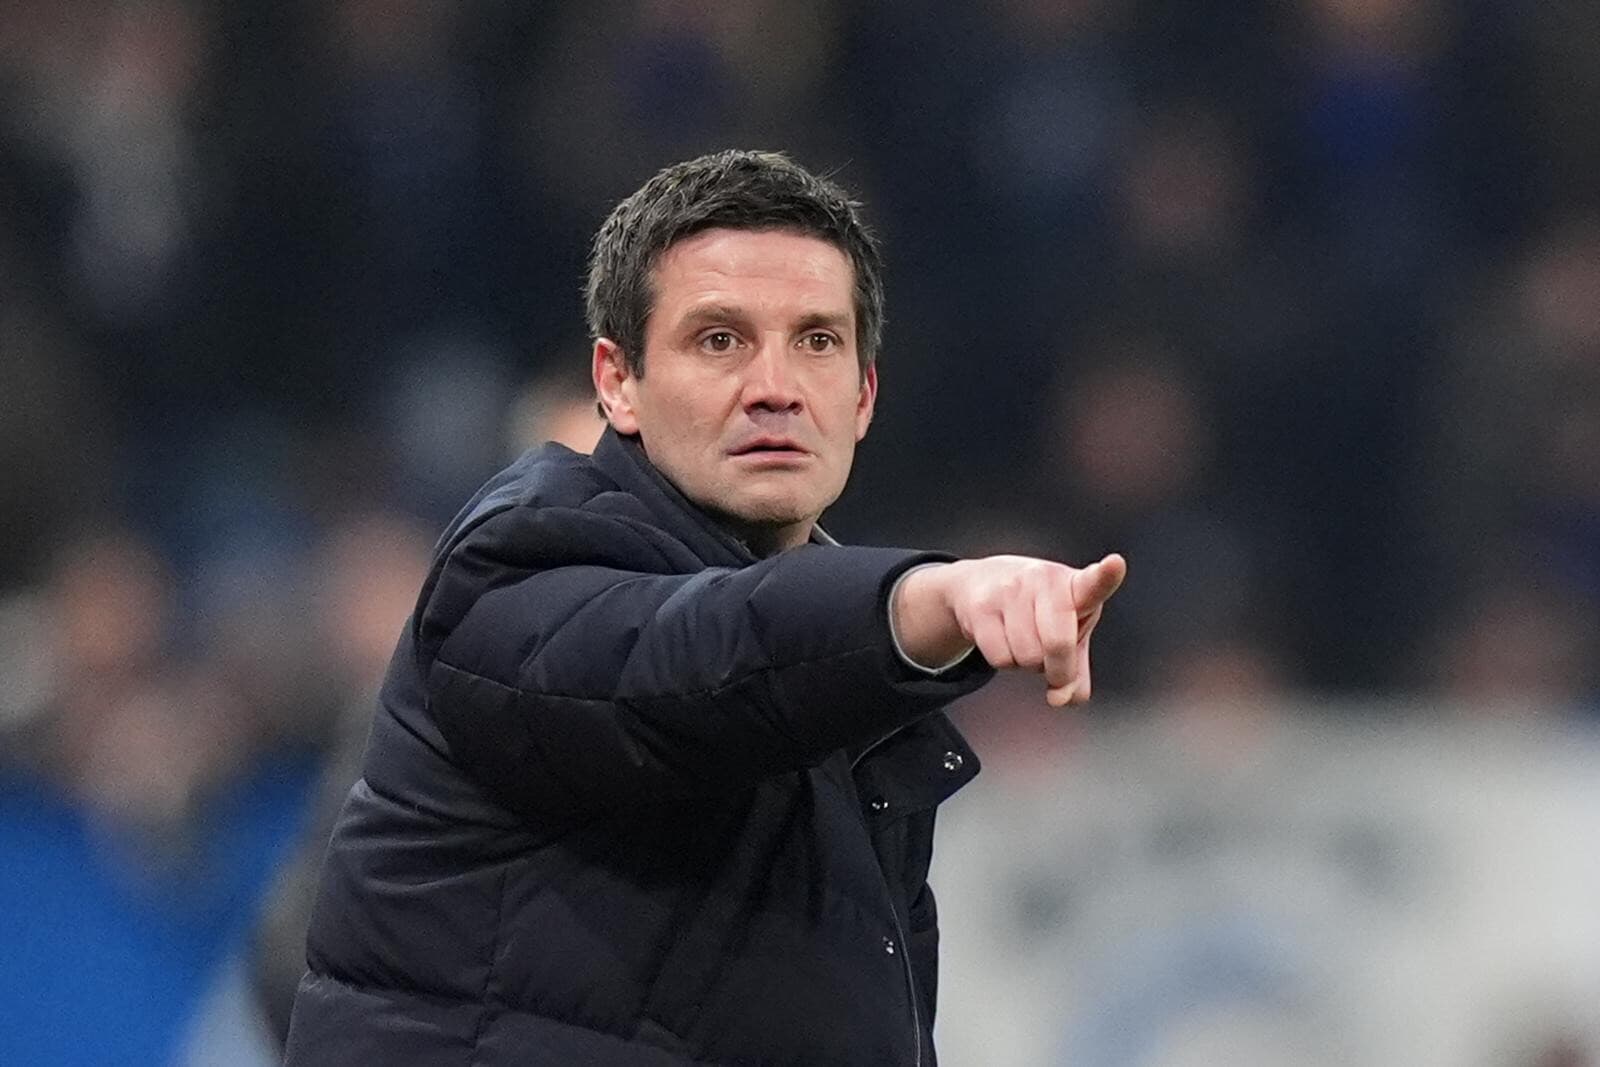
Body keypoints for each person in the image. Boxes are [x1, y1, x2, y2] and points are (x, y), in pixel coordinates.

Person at [283, 149, 1126, 1066]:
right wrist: (929, 597)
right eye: (720, 339)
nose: (776, 387)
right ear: (617, 382)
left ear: (863, 397)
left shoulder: (847, 708)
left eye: (817, 341)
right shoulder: (517, 562)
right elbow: (700, 653)